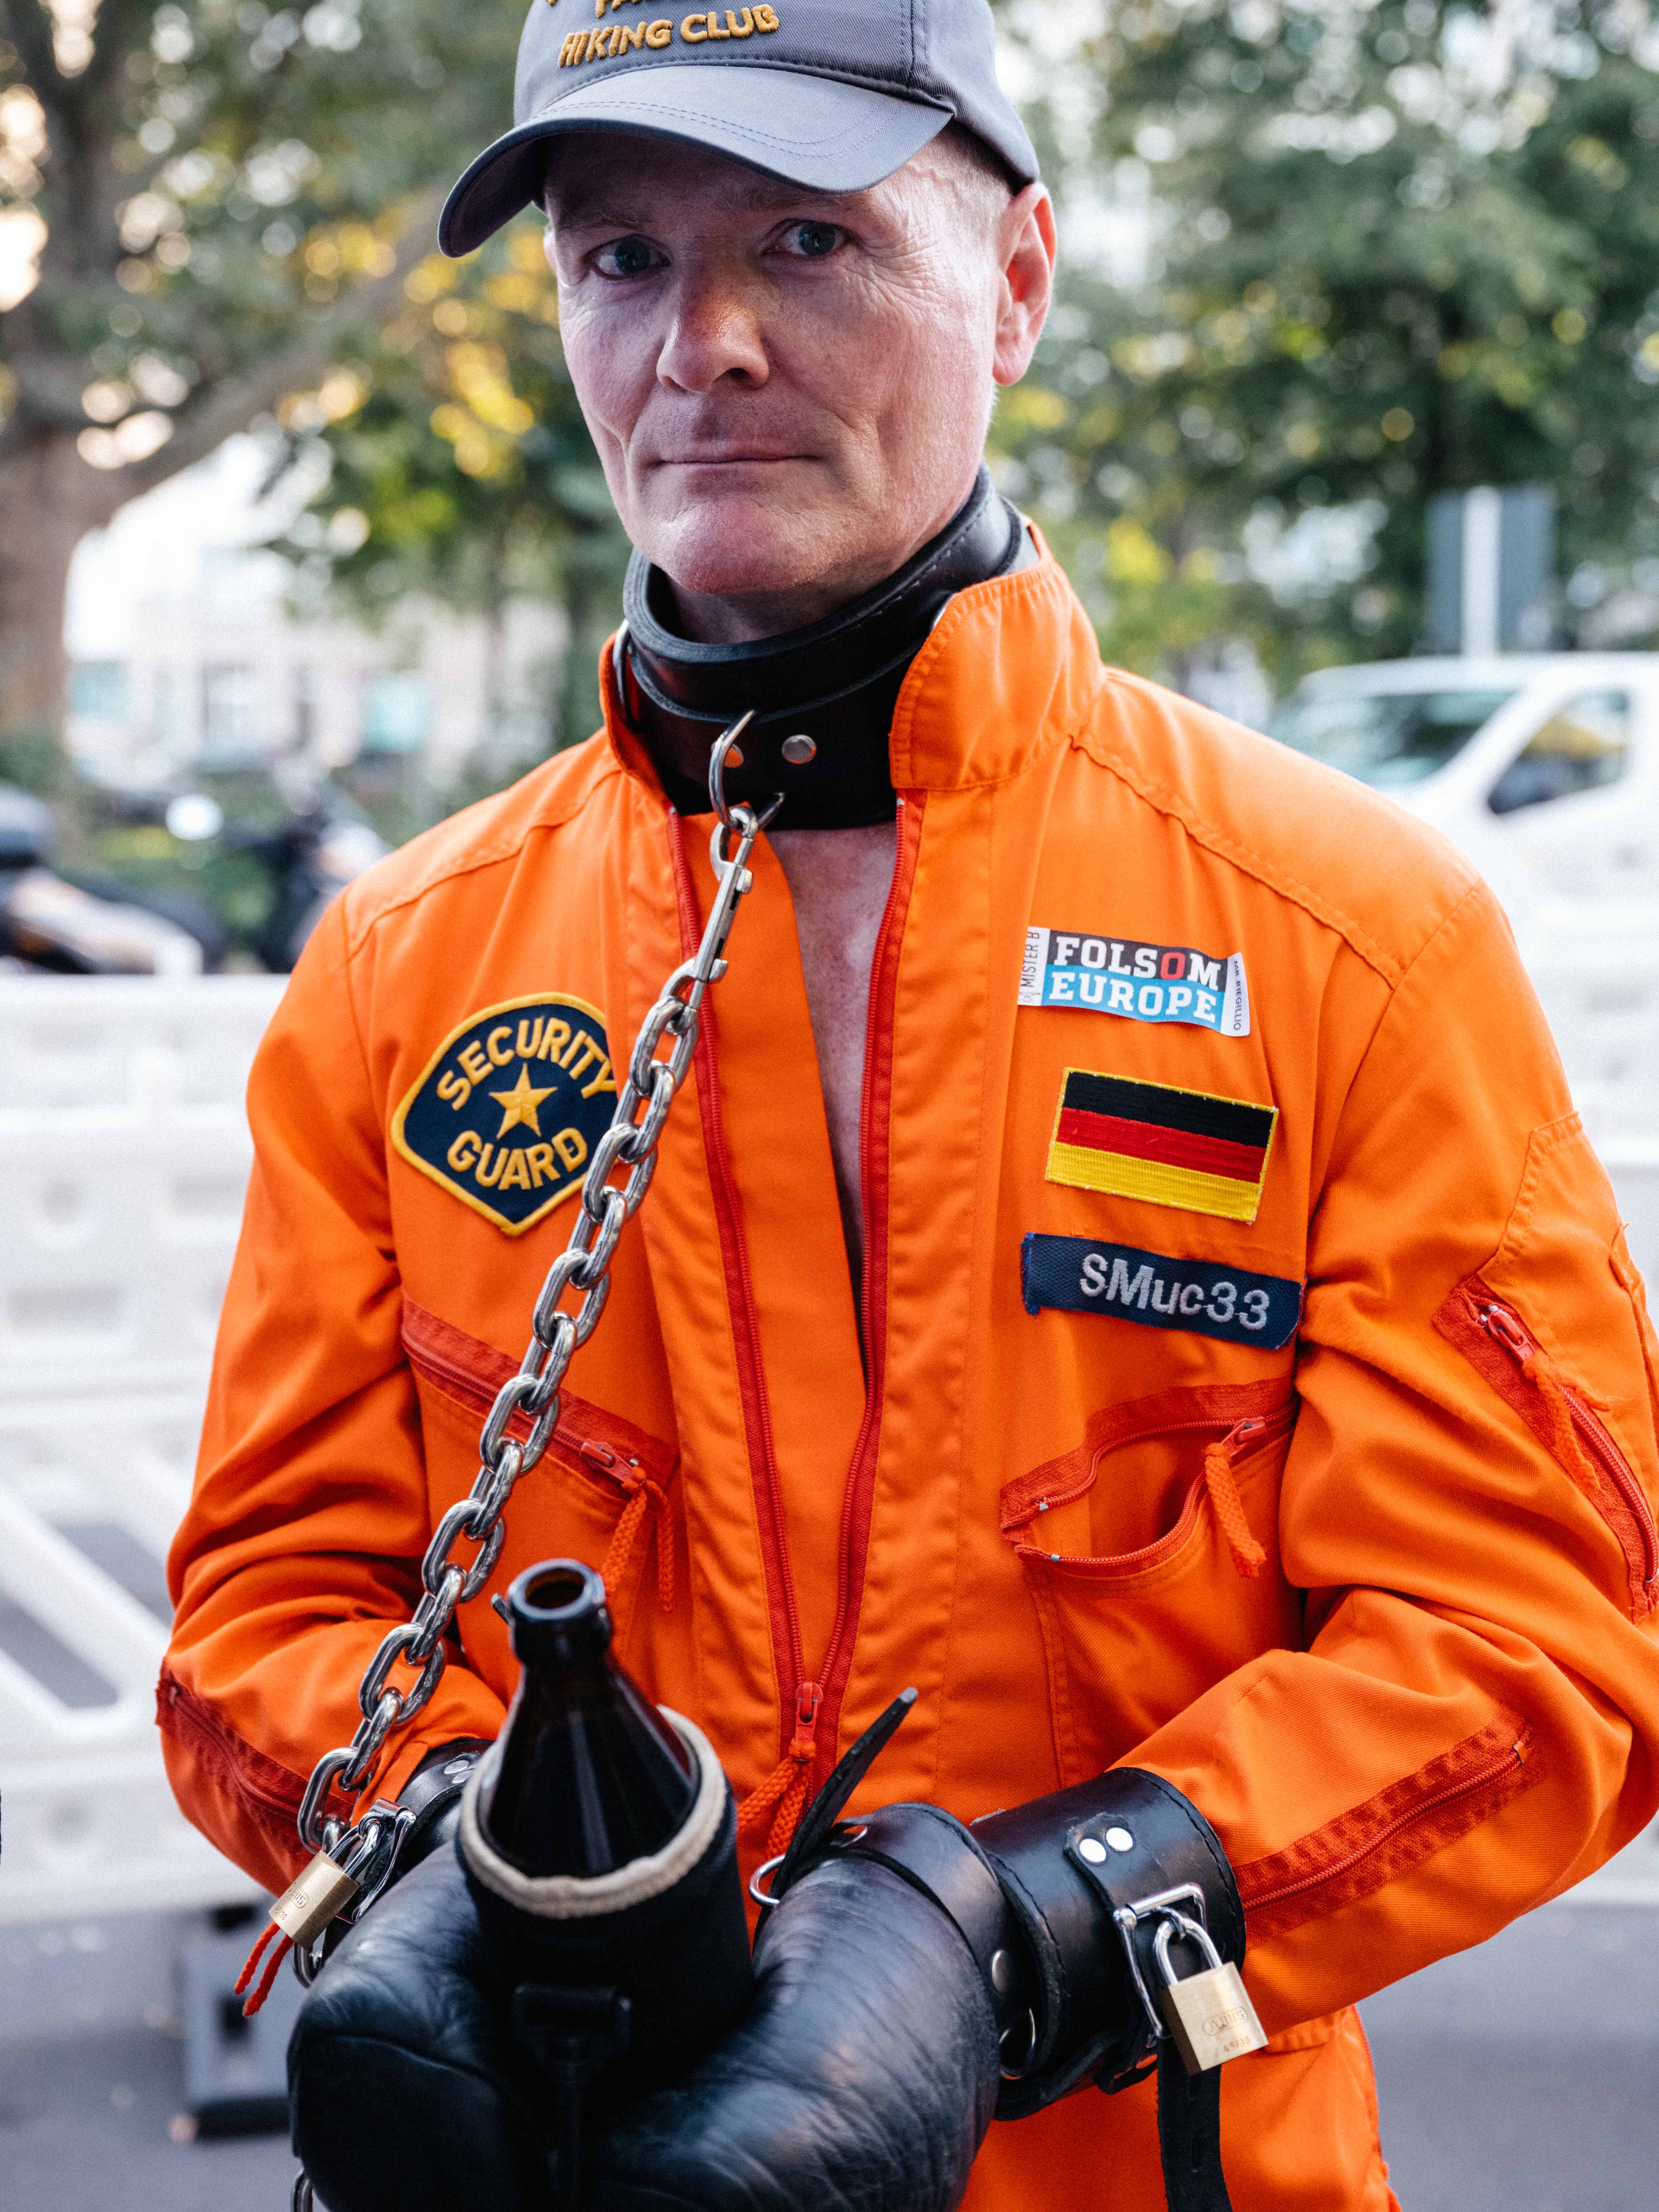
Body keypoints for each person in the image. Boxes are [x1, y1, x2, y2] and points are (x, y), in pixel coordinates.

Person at [161, 1, 1659, 2206]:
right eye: (623, 261)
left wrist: (1022, 1929)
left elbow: (1540, 1649)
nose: (709, 345)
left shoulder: (1348, 938)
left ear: (1019, 284)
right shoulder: (404, 973)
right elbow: (268, 1614)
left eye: (809, 240)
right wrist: (449, 1858)